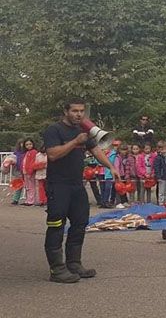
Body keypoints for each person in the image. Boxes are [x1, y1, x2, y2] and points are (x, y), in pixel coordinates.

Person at [43, 98, 120, 283]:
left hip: (77, 185)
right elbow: (53, 155)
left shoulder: (84, 131)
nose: (79, 114)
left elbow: (96, 151)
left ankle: (74, 264)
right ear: (65, 111)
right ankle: (57, 269)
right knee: (56, 225)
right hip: (58, 185)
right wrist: (75, 141)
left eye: (81, 111)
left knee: (80, 223)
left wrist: (111, 166)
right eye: (75, 111)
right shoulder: (54, 130)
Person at [101, 140, 121, 208]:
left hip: (113, 173)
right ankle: (105, 202)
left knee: (113, 189)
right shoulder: (103, 155)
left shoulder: (114, 154)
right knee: (106, 188)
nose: (105, 150)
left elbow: (115, 164)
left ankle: (111, 201)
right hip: (107, 174)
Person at [153, 141, 166, 206]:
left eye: (165, 148)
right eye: (162, 149)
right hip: (162, 177)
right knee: (161, 191)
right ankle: (161, 203)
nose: (164, 150)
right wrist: (158, 176)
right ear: (159, 149)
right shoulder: (158, 157)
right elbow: (156, 168)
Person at [21, 138, 38, 206]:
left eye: (30, 144)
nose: (28, 146)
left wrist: (30, 171)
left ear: (33, 144)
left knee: (31, 186)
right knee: (27, 187)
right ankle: (28, 199)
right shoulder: (27, 153)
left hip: (30, 172)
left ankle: (31, 201)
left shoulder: (34, 152)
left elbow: (32, 162)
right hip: (25, 172)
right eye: (27, 144)